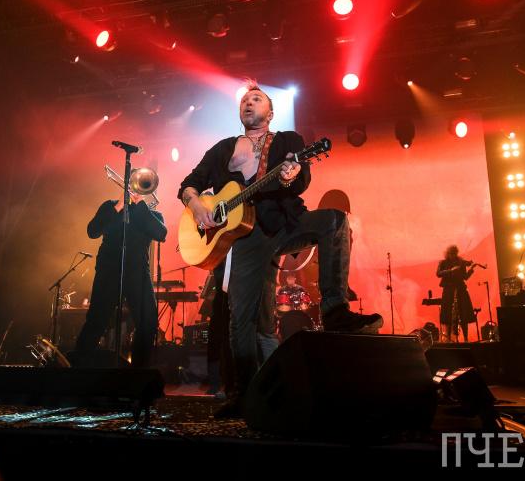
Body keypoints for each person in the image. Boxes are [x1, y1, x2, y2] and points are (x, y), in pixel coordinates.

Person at [178, 81, 382, 416]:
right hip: (244, 239)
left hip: (284, 224)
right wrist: (198, 206)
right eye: (245, 100)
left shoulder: (289, 141)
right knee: (240, 320)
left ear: (270, 113)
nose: (249, 102)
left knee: (335, 221)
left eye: (256, 99)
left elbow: (300, 181)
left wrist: (290, 175)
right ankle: (242, 395)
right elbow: (189, 184)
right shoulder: (222, 149)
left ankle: (335, 309)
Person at [74, 193, 167, 367]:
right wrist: (117, 206)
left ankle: (138, 372)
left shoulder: (152, 213)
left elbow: (161, 233)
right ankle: (77, 368)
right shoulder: (110, 205)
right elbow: (92, 231)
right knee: (96, 320)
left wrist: (141, 206)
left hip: (138, 272)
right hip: (109, 271)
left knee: (148, 322)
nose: (137, 190)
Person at [436, 245, 478, 342]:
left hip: (460, 289)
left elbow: (465, 277)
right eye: (452, 254)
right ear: (448, 254)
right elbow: (438, 274)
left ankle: (466, 338)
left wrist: (471, 269)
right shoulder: (443, 263)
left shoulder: (461, 262)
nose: (453, 256)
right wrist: (451, 270)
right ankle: (448, 338)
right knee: (448, 314)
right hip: (448, 290)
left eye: (455, 254)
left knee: (464, 313)